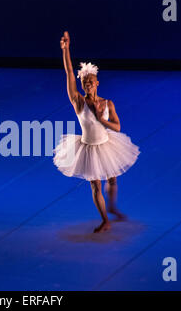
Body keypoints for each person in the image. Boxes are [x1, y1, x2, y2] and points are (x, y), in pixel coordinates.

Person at [53, 31, 140, 233]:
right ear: (82, 85)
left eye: (91, 80)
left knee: (112, 178)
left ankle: (112, 206)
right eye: (85, 82)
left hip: (107, 143)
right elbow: (68, 73)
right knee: (95, 186)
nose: (88, 83)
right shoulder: (79, 102)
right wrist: (66, 50)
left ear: (97, 83)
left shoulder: (108, 103)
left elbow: (117, 127)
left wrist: (102, 120)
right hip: (88, 148)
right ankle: (105, 220)